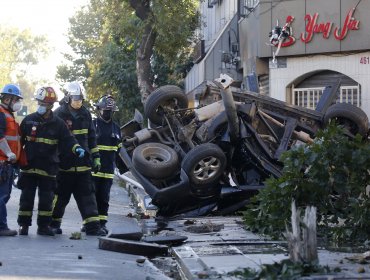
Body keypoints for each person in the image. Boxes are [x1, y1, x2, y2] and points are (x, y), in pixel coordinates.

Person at [17, 86, 84, 236]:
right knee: (26, 199)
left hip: (48, 168)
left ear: (51, 105)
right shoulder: (28, 120)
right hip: (29, 167)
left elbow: (68, 140)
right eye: (40, 103)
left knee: (46, 201)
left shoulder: (59, 124)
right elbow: (18, 142)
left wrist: (76, 148)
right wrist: (15, 162)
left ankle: (43, 227)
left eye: (44, 104)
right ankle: (23, 226)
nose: (41, 106)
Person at [50, 81, 105, 236]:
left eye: (80, 99)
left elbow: (92, 138)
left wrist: (96, 157)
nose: (78, 102)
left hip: (83, 165)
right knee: (60, 198)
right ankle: (53, 224)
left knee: (88, 197)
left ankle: (93, 227)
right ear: (68, 98)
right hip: (64, 165)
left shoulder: (86, 113)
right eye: (75, 99)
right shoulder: (58, 114)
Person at [92, 95, 122, 233]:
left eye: (110, 111)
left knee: (104, 198)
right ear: (99, 110)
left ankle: (102, 223)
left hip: (108, 170)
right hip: (94, 170)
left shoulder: (116, 128)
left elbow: (119, 148)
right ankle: (90, 223)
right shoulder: (93, 125)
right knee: (91, 198)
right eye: (105, 110)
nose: (107, 113)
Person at [0, 84, 23, 236]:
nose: (17, 103)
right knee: (1, 196)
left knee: (5, 195)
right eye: (15, 99)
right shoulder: (1, 114)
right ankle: (1, 227)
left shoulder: (8, 115)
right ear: (7, 98)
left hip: (7, 163)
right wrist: (8, 153)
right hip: (2, 161)